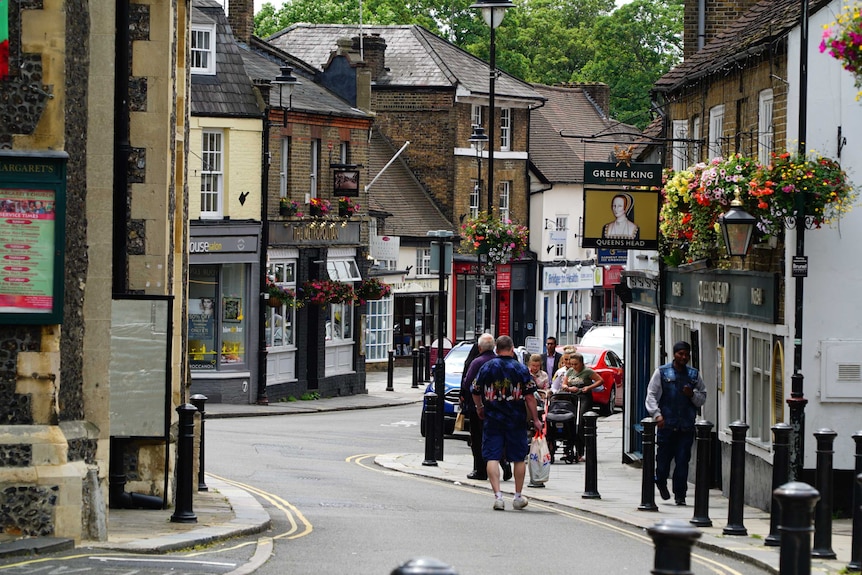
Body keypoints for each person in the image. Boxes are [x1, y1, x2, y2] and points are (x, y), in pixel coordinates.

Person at [472, 335, 543, 510]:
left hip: (493, 418)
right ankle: (518, 497)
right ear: (512, 349)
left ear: (496, 349)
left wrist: (479, 407)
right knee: (518, 458)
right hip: (515, 419)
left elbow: (475, 389)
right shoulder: (520, 369)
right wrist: (535, 419)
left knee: (492, 456)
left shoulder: (487, 367)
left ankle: (498, 497)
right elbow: (529, 397)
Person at [645, 340, 707, 506]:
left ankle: (680, 495)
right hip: (667, 425)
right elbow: (651, 395)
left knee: (682, 461)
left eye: (687, 354)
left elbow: (702, 397)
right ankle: (660, 480)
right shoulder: (662, 372)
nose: (684, 357)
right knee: (664, 460)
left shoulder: (694, 375)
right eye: (681, 354)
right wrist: (657, 415)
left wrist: (691, 395)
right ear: (674, 354)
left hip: (686, 426)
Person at [460, 333, 497, 481]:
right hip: (498, 406)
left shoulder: (476, 362)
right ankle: (504, 465)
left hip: (479, 406)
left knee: (477, 438)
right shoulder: (498, 361)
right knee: (495, 437)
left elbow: (468, 383)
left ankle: (480, 470)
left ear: (480, 347)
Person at [561, 352, 604, 462]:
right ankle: (570, 449)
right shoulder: (570, 371)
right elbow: (564, 384)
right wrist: (569, 388)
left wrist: (589, 387)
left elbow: (600, 380)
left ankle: (582, 450)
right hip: (572, 397)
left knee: (580, 423)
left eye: (576, 364)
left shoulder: (587, 371)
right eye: (572, 364)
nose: (574, 367)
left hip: (584, 397)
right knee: (570, 422)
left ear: (581, 363)